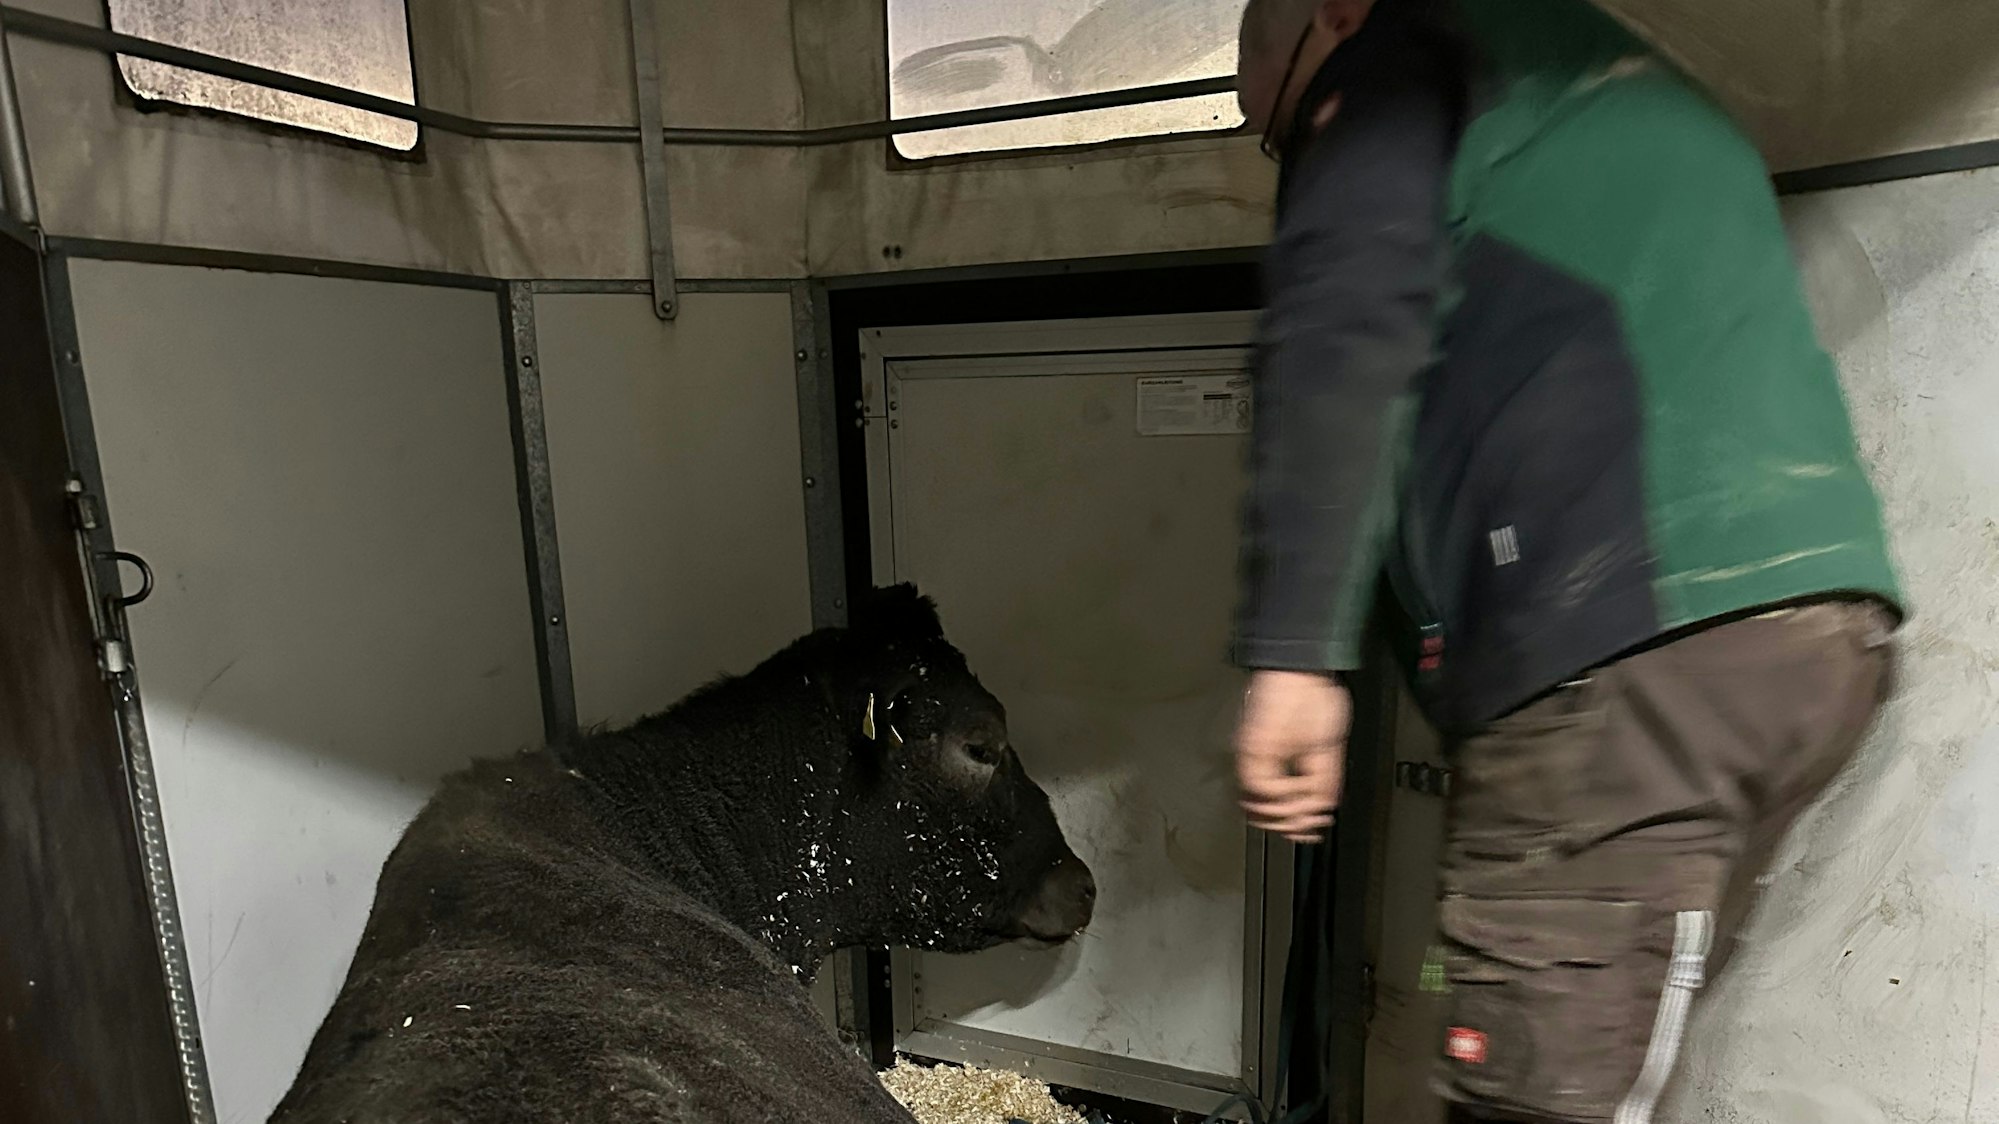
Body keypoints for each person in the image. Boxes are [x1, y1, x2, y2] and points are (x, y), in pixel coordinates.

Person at [1225, 0, 1903, 1120]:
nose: (1293, 164)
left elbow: (1339, 327)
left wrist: (1294, 655)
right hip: (1805, 636)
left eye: (1281, 129)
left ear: (1335, 15)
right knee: (1580, 1058)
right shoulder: (1572, 71)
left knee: (1529, 1091)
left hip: (1627, 650)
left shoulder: (1401, 62)